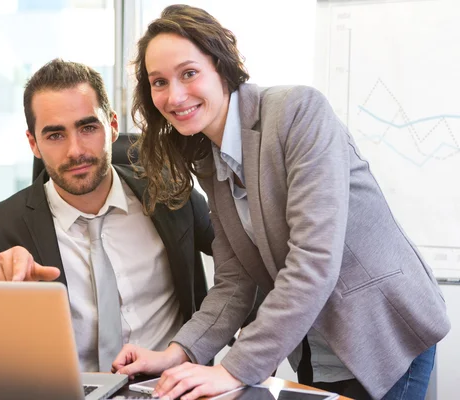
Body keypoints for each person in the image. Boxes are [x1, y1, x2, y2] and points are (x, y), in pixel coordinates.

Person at [112, 5, 450, 400]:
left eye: (189, 73)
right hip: (314, 350)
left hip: (383, 338)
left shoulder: (297, 113)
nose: (174, 95)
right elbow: (235, 279)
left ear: (221, 66)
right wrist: (176, 353)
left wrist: (232, 369)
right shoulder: (209, 157)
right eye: (159, 82)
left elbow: (313, 261)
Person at [0, 59, 214, 373]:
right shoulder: (0, 227)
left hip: (169, 387)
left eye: (87, 128)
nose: (75, 151)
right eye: (55, 135)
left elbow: (248, 261)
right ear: (34, 143)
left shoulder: (171, 194)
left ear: (112, 126)